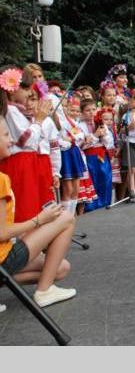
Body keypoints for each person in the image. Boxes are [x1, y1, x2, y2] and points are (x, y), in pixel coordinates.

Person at [0, 114, 77, 308]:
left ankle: (45, 286)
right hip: (3, 259)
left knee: (60, 267)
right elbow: (2, 233)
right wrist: (39, 220)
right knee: (66, 218)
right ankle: (44, 291)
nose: (11, 140)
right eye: (6, 135)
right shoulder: (1, 179)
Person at [0, 66, 54, 222]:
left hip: (26, 162)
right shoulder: (11, 111)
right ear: (12, 89)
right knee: (25, 208)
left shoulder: (15, 110)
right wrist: (39, 120)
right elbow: (27, 140)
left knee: (31, 205)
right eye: (25, 88)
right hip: (20, 163)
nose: (29, 92)